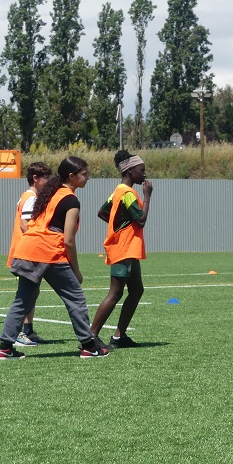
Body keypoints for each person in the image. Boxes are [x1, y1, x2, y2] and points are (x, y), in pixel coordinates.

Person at [0, 156, 107, 360]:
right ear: (71, 176)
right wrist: (77, 270)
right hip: (48, 252)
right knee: (76, 299)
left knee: (22, 301)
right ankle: (89, 346)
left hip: (27, 249)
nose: (88, 177)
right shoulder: (71, 200)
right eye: (84, 174)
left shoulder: (50, 193)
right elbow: (69, 240)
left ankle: (5, 348)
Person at [90, 150, 152, 350]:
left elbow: (102, 212)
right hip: (123, 249)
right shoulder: (127, 193)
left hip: (129, 249)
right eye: (141, 170)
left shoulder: (117, 191)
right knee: (115, 293)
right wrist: (147, 196)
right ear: (130, 171)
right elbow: (141, 220)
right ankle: (90, 336)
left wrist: (119, 225)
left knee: (136, 290)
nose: (144, 174)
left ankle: (119, 336)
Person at [7, 162, 52, 346]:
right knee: (25, 295)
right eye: (46, 178)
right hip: (26, 254)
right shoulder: (31, 197)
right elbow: (25, 224)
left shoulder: (30, 196)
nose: (49, 182)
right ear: (35, 178)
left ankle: (28, 330)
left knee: (32, 293)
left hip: (26, 253)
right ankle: (18, 333)